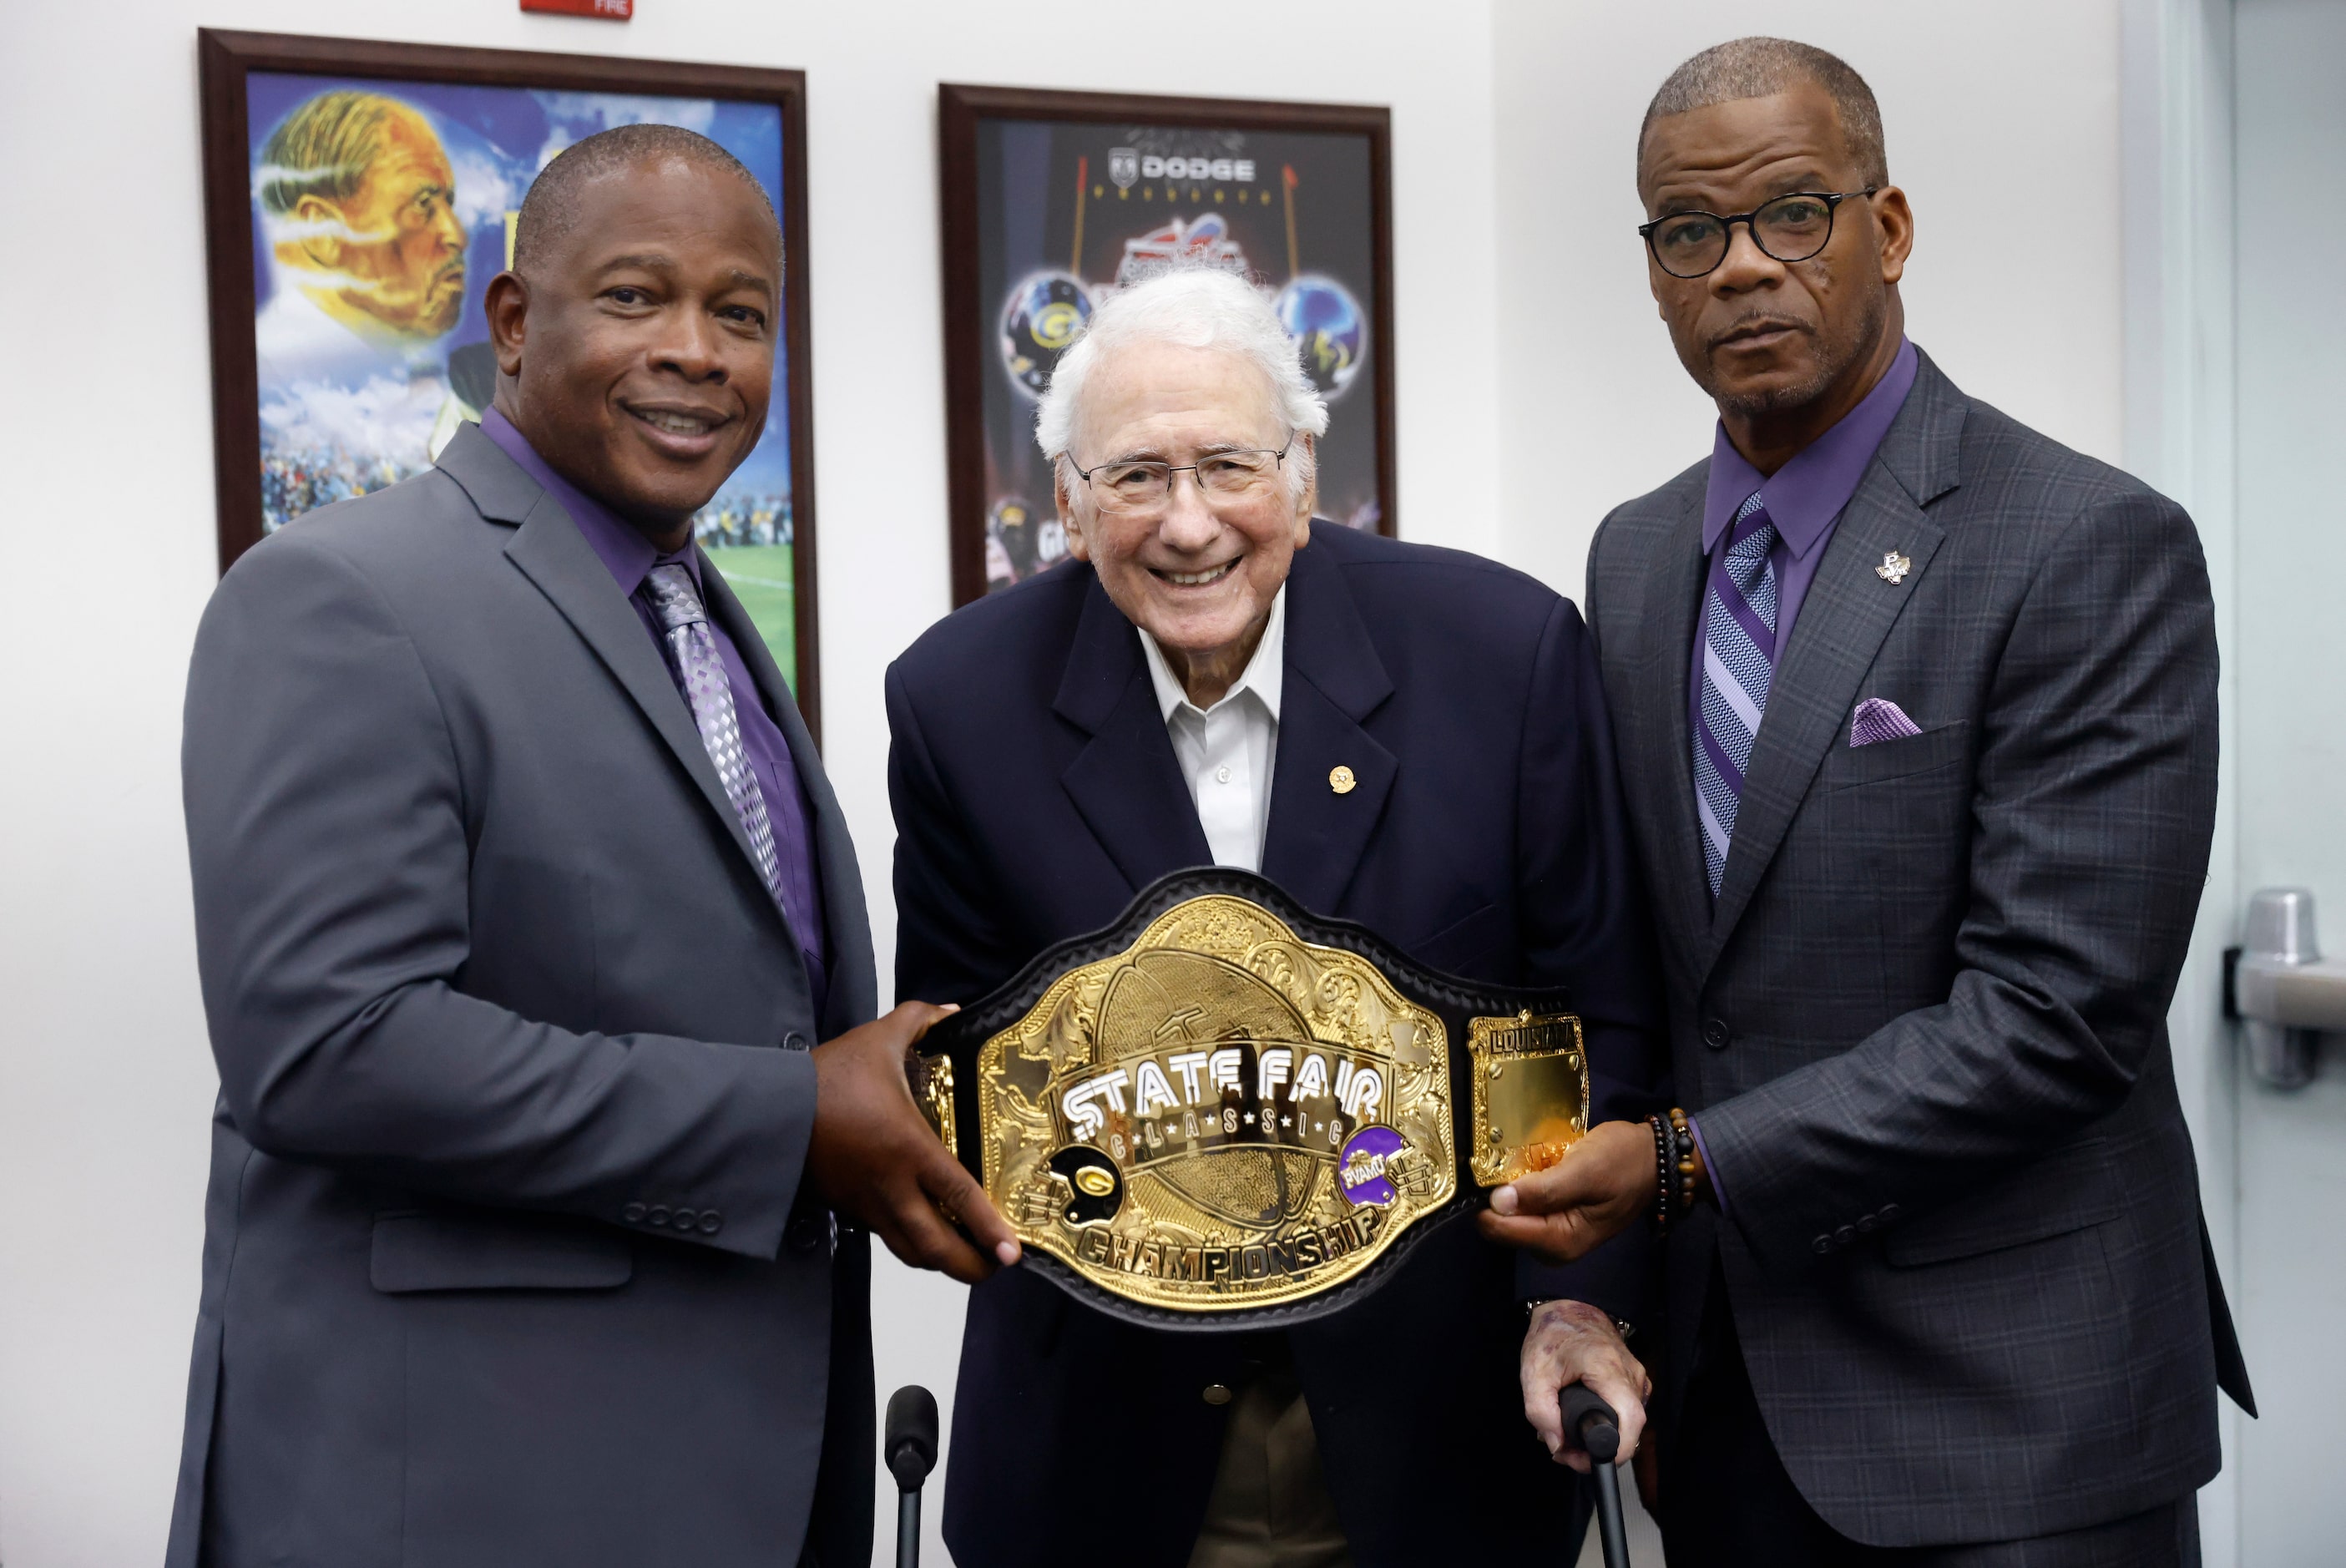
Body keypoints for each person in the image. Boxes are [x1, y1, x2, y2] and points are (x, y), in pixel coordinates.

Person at [168, 124, 1016, 1568]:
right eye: (635, 297)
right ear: (513, 321)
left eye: (740, 314)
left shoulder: (695, 611)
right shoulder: (339, 593)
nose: (697, 350)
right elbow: (327, 1043)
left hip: (739, 1465)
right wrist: (792, 1116)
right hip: (463, 1487)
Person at [1481, 38, 2255, 1566]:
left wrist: (1687, 1161)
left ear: (1886, 229)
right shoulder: (1635, 560)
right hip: (1720, 1400)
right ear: (1654, 272)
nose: (1744, 269)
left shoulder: (2083, 541)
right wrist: (1585, 1271)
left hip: (2012, 1414)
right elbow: (1645, 964)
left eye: (1794, 213)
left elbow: (2057, 1014)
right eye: (1691, 234)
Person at [886, 265, 1665, 1568]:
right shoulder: (959, 702)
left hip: (1437, 1428)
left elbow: (1588, 1012)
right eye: (1134, 475)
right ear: (1069, 504)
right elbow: (962, 1064)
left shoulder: (1501, 651)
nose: (1188, 523)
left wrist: (1569, 1294)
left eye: (1228, 466)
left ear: (1302, 473)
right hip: (1105, 1449)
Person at [255, 89, 468, 352]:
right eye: (422, 204)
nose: (457, 236)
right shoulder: (284, 374)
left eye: (449, 203)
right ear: (322, 233)